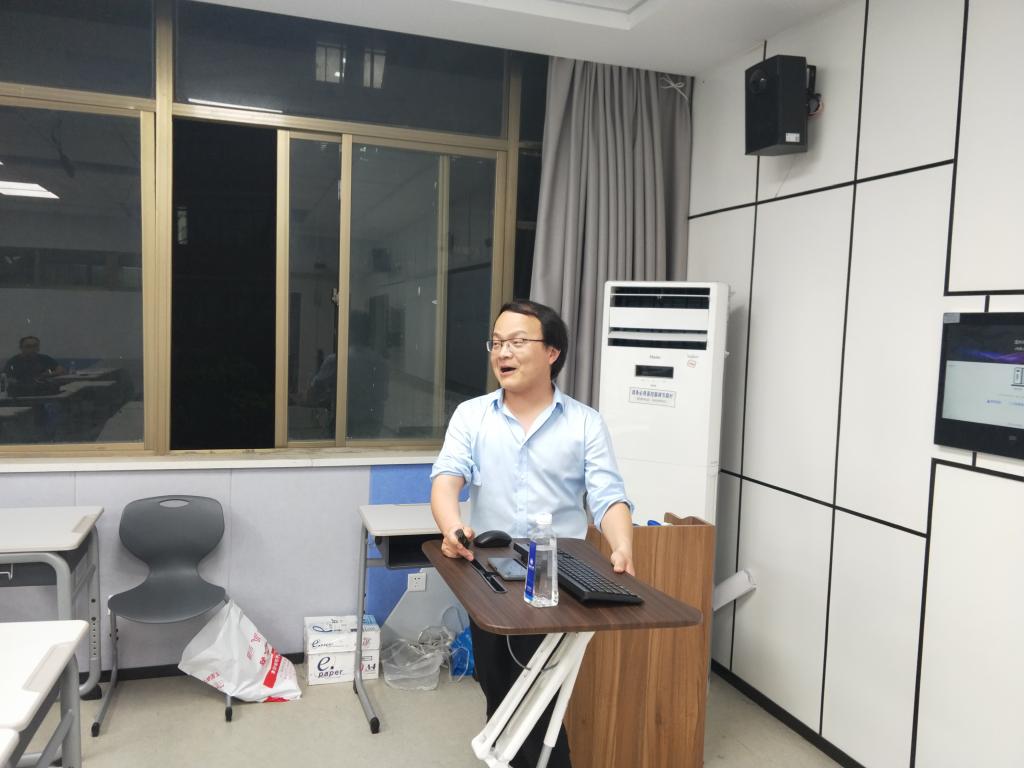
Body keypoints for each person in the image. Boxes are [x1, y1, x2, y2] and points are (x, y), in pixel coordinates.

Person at [430, 299, 634, 768]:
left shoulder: (584, 422)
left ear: (552, 353)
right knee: (498, 692)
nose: (503, 352)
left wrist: (622, 544)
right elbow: (446, 478)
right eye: (497, 343)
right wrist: (452, 526)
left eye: (518, 342)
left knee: (539, 700)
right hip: (488, 575)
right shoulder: (472, 415)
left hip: (558, 577)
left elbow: (608, 497)